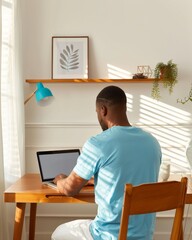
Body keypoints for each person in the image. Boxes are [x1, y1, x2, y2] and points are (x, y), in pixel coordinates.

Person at [51, 86, 162, 240]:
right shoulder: (152, 142)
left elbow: (70, 189)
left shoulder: (98, 143)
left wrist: (60, 181)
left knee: (58, 233)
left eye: (97, 112)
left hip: (108, 235)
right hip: (144, 236)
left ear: (103, 110)